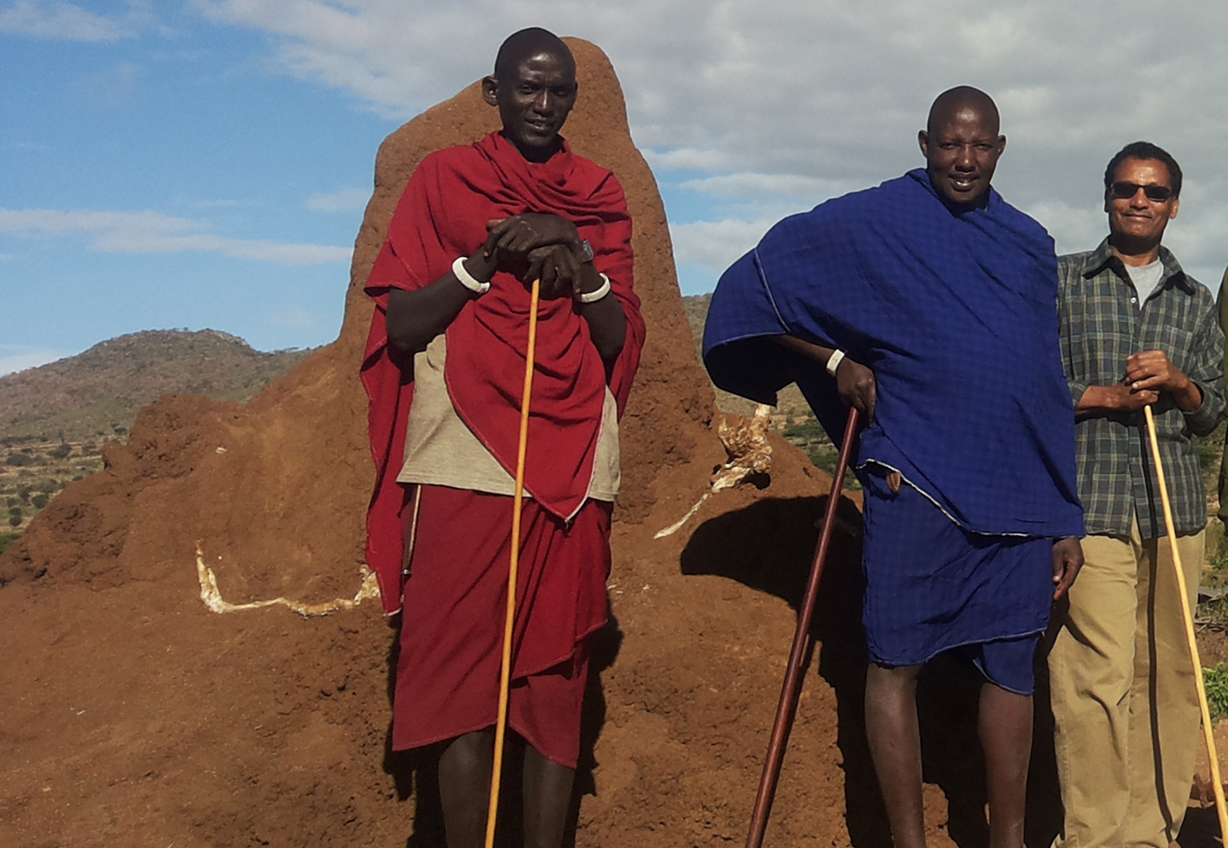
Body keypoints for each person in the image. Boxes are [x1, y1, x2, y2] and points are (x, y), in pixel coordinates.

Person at [703, 86, 1085, 848]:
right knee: (896, 661)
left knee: (1011, 669)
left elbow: (1043, 380)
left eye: (980, 146)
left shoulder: (1028, 243)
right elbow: (757, 284)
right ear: (923, 143)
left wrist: (1062, 514)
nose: (965, 160)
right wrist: (836, 358)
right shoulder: (874, 223)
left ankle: (1007, 840)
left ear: (1001, 149)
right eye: (950, 144)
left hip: (1017, 492)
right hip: (915, 480)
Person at [360, 28, 644, 848]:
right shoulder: (445, 180)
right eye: (527, 88)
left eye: (558, 92)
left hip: (574, 451)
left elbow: (618, 336)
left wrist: (576, 259)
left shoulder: (598, 191)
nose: (543, 105)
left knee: (555, 679)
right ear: (494, 90)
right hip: (463, 447)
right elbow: (402, 326)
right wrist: (480, 260)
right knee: (458, 675)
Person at [1048, 141, 1225, 848]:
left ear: (1174, 205)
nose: (1139, 200)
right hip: (1088, 504)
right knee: (1094, 675)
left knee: (1174, 676)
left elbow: (1213, 406)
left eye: (1154, 192)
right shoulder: (1061, 282)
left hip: (1173, 508)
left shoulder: (1197, 299)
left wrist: (1181, 385)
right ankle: (1093, 835)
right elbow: (1025, 386)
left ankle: (1151, 834)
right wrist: (1099, 396)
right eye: (1126, 188)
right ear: (1106, 197)